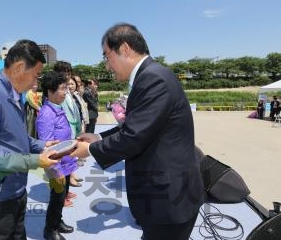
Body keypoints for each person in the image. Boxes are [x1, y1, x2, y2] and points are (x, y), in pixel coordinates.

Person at [72, 23, 204, 240]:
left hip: (169, 201)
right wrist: (99, 137)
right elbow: (135, 126)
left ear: (125, 49)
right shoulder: (149, 75)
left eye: (107, 56)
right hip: (162, 196)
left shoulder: (153, 78)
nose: (107, 66)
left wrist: (91, 149)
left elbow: (133, 137)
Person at [0, 39, 59, 240]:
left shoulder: (13, 95)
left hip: (14, 189)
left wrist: (42, 145)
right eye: (36, 74)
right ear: (18, 68)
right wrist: (34, 161)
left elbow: (14, 137)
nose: (36, 82)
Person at [36, 72, 78, 240]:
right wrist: (55, 170)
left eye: (66, 88)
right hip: (56, 165)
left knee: (62, 196)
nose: (66, 92)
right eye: (62, 88)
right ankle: (50, 230)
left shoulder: (57, 109)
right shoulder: (46, 114)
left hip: (66, 162)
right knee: (56, 197)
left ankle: (58, 221)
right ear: (50, 91)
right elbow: (46, 148)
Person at [53, 61, 83, 192]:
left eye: (68, 72)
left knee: (68, 157)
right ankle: (61, 193)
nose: (66, 75)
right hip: (61, 131)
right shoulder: (55, 90)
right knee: (61, 161)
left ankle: (66, 189)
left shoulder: (66, 89)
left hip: (71, 128)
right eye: (64, 72)